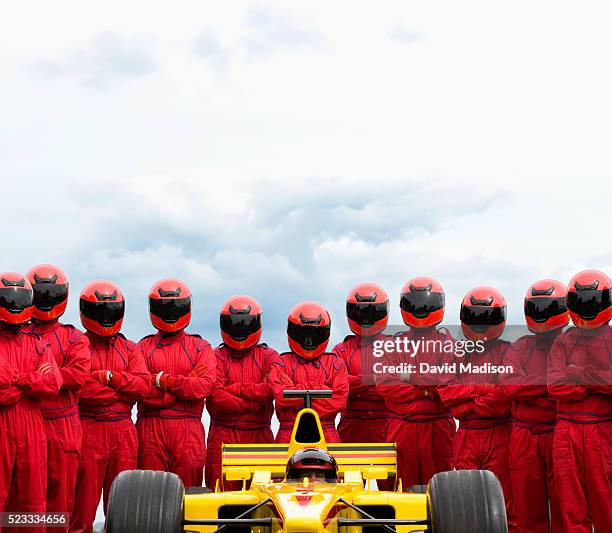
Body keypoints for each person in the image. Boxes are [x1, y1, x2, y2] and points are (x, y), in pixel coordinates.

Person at [69, 281, 150, 533]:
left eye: (111, 311)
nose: (106, 317)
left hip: (123, 431)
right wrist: (120, 392)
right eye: (100, 311)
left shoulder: (130, 347)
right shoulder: (77, 344)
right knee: (81, 508)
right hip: (88, 427)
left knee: (124, 508)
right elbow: (79, 388)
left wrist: (110, 378)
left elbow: (143, 387)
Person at [438, 286, 516, 531]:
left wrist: (470, 403)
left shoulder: (508, 352)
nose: (480, 323)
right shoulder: (457, 354)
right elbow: (447, 393)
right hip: (467, 434)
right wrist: (483, 389)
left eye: (486, 317)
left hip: (501, 433)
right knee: (465, 500)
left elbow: (506, 394)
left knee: (505, 501)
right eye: (475, 317)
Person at [25, 265, 90, 528]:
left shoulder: (74, 337)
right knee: (25, 499)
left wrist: (36, 377)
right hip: (28, 423)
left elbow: (78, 376)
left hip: (62, 425)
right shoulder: (17, 335)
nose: (46, 300)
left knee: (61, 501)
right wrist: (52, 377)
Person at [501, 279, 568, 533]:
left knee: (566, 507)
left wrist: (528, 388)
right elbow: (509, 386)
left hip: (558, 433)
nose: (541, 314)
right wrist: (549, 387)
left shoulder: (572, 344)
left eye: (547, 308)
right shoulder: (520, 347)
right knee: (526, 508)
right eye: (537, 308)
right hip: (525, 436)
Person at [548, 269, 612, 532]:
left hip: (603, 430)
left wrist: (580, 375)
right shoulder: (564, 340)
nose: (588, 307)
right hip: (567, 430)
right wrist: (594, 385)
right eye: (583, 302)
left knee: (606, 501)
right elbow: (554, 386)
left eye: (593, 301)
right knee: (571, 506)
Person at [136, 278, 216, 488]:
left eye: (175, 307)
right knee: (150, 495)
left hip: (188, 429)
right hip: (150, 428)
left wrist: (162, 381)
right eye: (164, 307)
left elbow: (204, 387)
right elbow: (141, 390)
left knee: (188, 497)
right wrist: (184, 384)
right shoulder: (143, 347)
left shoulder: (200, 346)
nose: (170, 312)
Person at [377, 277, 455, 490]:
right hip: (401, 428)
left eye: (426, 304)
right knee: (401, 490)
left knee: (442, 492)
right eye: (416, 304)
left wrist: (406, 375)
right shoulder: (392, 345)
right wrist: (426, 392)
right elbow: (384, 384)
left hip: (437, 427)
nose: (421, 308)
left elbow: (446, 381)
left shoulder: (449, 345)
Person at [0, 273, 61, 533]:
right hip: (4, 423)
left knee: (33, 502)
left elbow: (52, 384)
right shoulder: (39, 350)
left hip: (32, 427)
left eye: (20, 298)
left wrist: (15, 379)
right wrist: (31, 382)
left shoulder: (38, 343)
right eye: (8, 298)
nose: (14, 303)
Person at [205, 295, 277, 490]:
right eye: (235, 324)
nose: (240, 328)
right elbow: (216, 396)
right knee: (220, 498)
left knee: (265, 498)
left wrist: (235, 389)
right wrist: (251, 404)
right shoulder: (216, 356)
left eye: (245, 323)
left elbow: (272, 388)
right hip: (224, 436)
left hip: (259, 434)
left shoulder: (269, 356)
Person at [270, 301, 348, 442]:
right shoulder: (281, 362)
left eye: (315, 334)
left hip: (326, 432)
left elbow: (339, 401)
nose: (309, 341)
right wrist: (321, 390)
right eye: (303, 333)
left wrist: (296, 396)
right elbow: (281, 396)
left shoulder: (336, 363)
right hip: (289, 432)